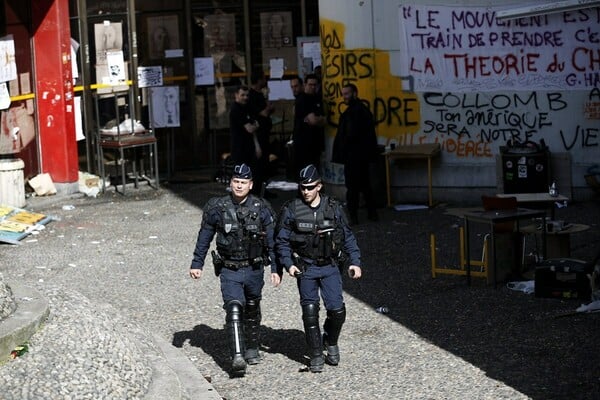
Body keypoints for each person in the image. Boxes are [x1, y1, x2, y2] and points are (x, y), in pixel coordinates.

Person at [189, 164, 281, 376]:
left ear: (251, 185)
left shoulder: (262, 208)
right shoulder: (217, 207)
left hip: (254, 267)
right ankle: (237, 356)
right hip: (229, 268)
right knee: (233, 308)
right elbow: (205, 236)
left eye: (243, 183)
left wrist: (276, 268)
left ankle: (252, 347)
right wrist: (197, 263)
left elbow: (273, 242)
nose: (239, 186)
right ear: (230, 184)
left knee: (252, 307)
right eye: (236, 182)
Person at [275, 164, 362, 373]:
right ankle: (315, 354)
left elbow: (348, 236)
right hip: (305, 267)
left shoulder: (333, 208)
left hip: (330, 266)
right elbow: (281, 241)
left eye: (310, 187)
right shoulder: (292, 209)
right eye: (303, 187)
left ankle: (330, 340)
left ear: (319, 186)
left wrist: (355, 262)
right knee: (310, 312)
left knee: (337, 310)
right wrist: (288, 265)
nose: (306, 191)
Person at [332, 83, 379, 225]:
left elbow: (349, 135)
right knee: (365, 186)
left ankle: (354, 216)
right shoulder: (362, 110)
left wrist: (344, 150)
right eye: (343, 93)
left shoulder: (353, 112)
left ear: (355, 93)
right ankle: (371, 214)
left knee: (352, 188)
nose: (344, 97)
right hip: (361, 155)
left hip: (353, 156)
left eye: (347, 93)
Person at [292, 74, 326, 175]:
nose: (313, 87)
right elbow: (313, 121)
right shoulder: (302, 99)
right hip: (303, 144)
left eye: (315, 85)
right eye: (310, 84)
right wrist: (318, 119)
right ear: (305, 85)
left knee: (314, 172)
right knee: (305, 174)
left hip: (315, 143)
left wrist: (318, 119)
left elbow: (323, 121)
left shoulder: (317, 99)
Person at [248, 69, 275, 195]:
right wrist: (269, 108)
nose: (265, 81)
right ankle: (257, 190)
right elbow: (262, 113)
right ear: (259, 80)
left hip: (264, 132)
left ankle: (263, 188)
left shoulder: (259, 95)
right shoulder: (253, 96)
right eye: (263, 78)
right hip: (259, 134)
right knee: (259, 164)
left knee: (265, 162)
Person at [229, 85, 261, 183]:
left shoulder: (247, 108)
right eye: (242, 95)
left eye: (247, 95)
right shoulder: (235, 109)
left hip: (249, 147)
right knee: (241, 175)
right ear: (236, 95)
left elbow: (252, 129)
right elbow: (250, 128)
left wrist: (257, 146)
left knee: (253, 172)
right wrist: (256, 125)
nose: (245, 97)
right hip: (239, 148)